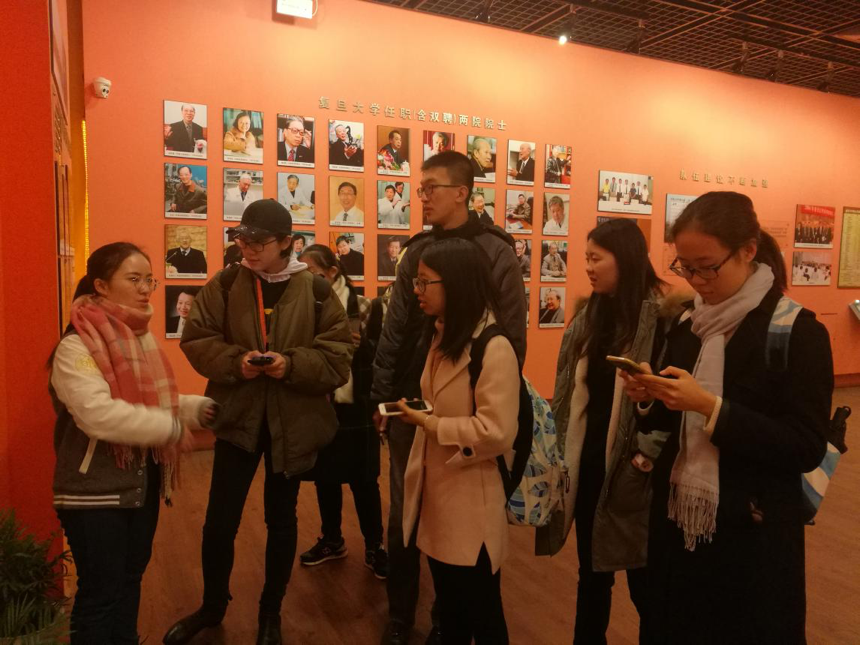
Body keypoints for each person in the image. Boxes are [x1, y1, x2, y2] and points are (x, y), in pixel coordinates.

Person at [624, 191, 833, 644]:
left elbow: (806, 445)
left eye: (707, 266)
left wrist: (711, 408)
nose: (695, 280)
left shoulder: (796, 331)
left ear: (748, 251)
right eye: (684, 267)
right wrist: (649, 397)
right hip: (679, 525)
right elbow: (668, 425)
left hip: (751, 537)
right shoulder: (688, 322)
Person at [162, 200, 353, 645]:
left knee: (281, 520)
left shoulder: (316, 290)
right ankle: (212, 607)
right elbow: (197, 337)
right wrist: (236, 362)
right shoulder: (227, 282)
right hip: (238, 419)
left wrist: (290, 365)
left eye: (258, 242)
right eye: (241, 239)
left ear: (287, 242)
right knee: (219, 520)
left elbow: (338, 356)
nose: (246, 248)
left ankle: (271, 612)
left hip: (293, 425)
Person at [372, 150, 526, 645]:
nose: (422, 197)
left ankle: (446, 618)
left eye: (430, 188)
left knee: (458, 526)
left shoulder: (496, 252)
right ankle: (401, 616)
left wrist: (486, 394)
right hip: (412, 399)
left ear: (462, 192)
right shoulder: (417, 249)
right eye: (419, 189)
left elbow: (510, 337)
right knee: (406, 513)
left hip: (464, 409)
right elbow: (395, 327)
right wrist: (382, 396)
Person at [51, 242, 213, 644]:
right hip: (93, 493)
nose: (145, 289)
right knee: (101, 595)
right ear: (101, 285)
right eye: (134, 279)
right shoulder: (76, 345)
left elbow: (152, 399)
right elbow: (98, 414)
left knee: (129, 580)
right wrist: (170, 429)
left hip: (139, 485)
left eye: (149, 280)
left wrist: (197, 410)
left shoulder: (136, 336)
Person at [536, 218, 677, 643]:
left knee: (644, 581)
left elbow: (672, 400)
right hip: (590, 463)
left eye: (596, 258)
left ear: (626, 259)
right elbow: (570, 394)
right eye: (586, 258)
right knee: (592, 575)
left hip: (634, 470)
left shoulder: (662, 318)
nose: (588, 267)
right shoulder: (590, 316)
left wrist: (645, 457)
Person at [397, 237, 520, 643]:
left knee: (482, 615)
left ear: (457, 283)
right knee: (451, 612)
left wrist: (431, 424)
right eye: (416, 281)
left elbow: (496, 432)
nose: (417, 290)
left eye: (425, 282)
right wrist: (417, 413)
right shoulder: (442, 333)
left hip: (470, 503)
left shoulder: (493, 346)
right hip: (439, 496)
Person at [296, 244, 388, 579]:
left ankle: (375, 545)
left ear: (333, 271)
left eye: (315, 274)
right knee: (326, 477)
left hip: (358, 403)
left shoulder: (363, 305)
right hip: (323, 401)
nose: (310, 281)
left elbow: (382, 353)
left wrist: (362, 345)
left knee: (365, 481)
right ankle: (332, 539)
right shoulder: (304, 306)